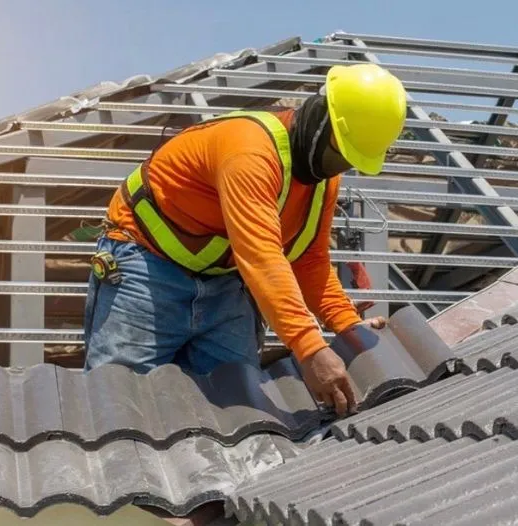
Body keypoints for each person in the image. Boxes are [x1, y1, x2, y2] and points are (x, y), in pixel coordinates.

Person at [82, 63, 408, 416]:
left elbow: (309, 258)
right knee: (121, 405)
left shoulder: (323, 180)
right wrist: (310, 349)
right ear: (319, 117)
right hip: (145, 269)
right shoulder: (250, 150)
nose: (338, 166)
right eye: (338, 152)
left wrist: (348, 328)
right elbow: (262, 255)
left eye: (350, 160)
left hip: (223, 283)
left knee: (239, 411)